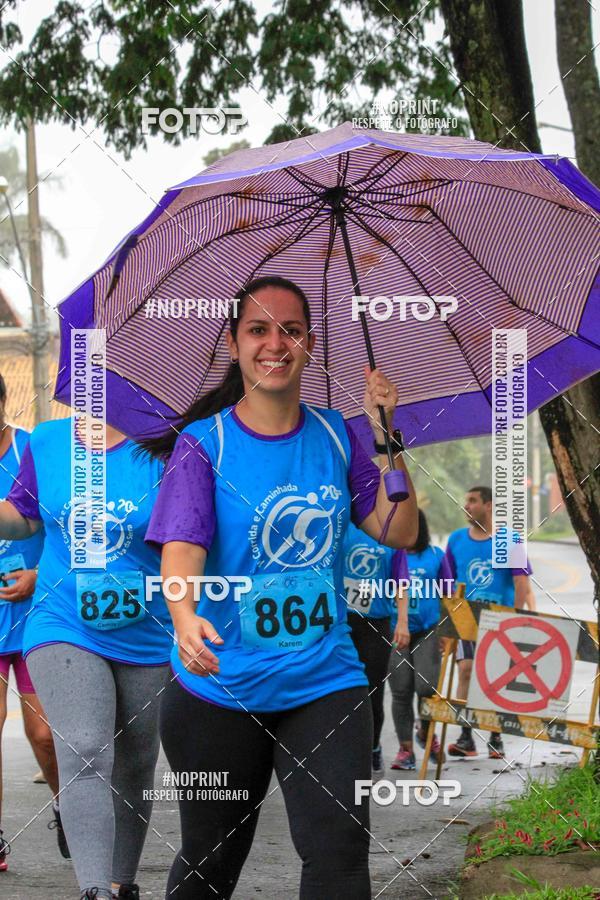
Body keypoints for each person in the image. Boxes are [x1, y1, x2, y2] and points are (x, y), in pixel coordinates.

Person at [144, 275, 418, 899]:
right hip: (220, 684)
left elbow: (398, 530)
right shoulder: (203, 443)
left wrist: (386, 437)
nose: (275, 343)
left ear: (309, 343)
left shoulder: (335, 434)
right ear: (235, 344)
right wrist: (185, 618)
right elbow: (182, 549)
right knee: (212, 860)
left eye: (290, 330)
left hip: (325, 678)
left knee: (340, 850)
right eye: (258, 330)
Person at [3, 414, 172, 900]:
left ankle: (121, 883)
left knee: (136, 759)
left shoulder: (168, 443)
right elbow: (25, 517)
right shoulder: (48, 440)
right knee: (85, 746)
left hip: (148, 626)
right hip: (63, 618)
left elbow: (190, 534)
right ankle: (94, 890)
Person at [0, 375, 62, 871]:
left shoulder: (34, 450)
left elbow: (65, 525)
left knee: (43, 734)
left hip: (37, 614)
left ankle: (70, 809)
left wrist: (39, 576)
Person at [444, 486, 532, 759]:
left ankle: (496, 737)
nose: (467, 506)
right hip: (465, 621)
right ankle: (466, 737)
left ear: (489, 505)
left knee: (495, 677)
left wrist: (515, 617)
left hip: (499, 622)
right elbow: (446, 582)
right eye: (466, 500)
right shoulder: (456, 539)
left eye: (473, 501)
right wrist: (446, 622)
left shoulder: (509, 540)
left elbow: (521, 582)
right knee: (466, 671)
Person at [341, 520, 410, 775]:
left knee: (372, 691)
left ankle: (373, 746)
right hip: (341, 622)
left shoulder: (391, 534)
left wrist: (402, 622)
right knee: (337, 689)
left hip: (376, 624)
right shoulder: (342, 525)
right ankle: (341, 748)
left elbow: (401, 582)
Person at [388, 509, 452, 770]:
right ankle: (405, 751)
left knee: (427, 688)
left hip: (428, 629)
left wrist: (447, 631)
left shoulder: (436, 555)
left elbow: (448, 594)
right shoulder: (391, 553)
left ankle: (426, 732)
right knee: (401, 690)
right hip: (395, 631)